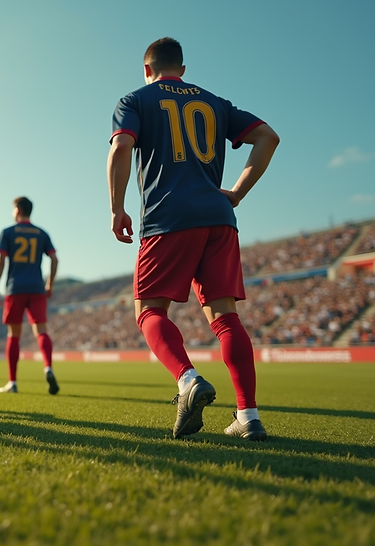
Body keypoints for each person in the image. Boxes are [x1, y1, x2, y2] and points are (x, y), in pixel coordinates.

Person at [107, 37, 280, 440]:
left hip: (168, 216)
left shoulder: (135, 99)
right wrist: (236, 192)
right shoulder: (215, 102)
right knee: (225, 318)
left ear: (146, 70)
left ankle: (187, 380)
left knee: (149, 311)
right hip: (219, 218)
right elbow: (268, 137)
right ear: (182, 70)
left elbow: (121, 149)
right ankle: (248, 417)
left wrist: (117, 208)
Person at [0, 197, 59, 395]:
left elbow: (0, 261)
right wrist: (50, 284)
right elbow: (54, 258)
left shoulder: (8, 232)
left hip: (15, 288)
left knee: (14, 335)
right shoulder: (41, 233)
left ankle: (12, 382)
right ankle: (48, 367)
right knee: (41, 330)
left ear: (17, 209)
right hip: (37, 287)